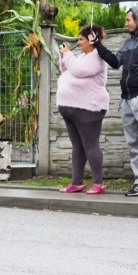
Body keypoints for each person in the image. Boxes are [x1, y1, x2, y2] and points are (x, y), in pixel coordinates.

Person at [91, 8, 138, 197]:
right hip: (127, 100)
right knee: (134, 144)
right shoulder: (128, 43)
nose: (126, 23)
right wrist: (98, 45)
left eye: (128, 20)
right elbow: (115, 62)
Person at [56, 24, 109, 195]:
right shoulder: (82, 56)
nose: (78, 42)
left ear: (91, 40)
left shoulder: (96, 57)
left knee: (90, 145)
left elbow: (78, 71)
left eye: (81, 39)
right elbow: (66, 70)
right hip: (71, 108)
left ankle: (98, 183)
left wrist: (68, 55)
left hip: (89, 108)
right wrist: (63, 57)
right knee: (77, 146)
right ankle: (76, 182)